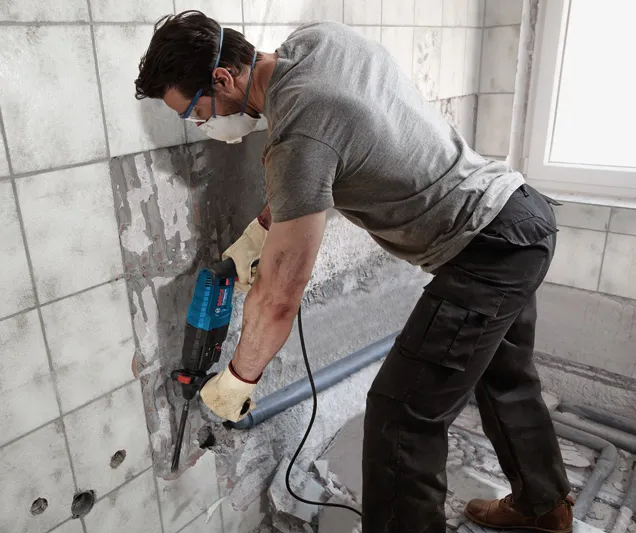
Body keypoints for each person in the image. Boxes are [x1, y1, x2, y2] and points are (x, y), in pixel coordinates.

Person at [135, 11, 573, 533]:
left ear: (223, 80)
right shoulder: (316, 41)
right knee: (504, 377)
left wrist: (236, 381)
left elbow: (279, 298)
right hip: (519, 216)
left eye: (195, 112)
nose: (203, 124)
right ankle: (544, 509)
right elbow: (310, 170)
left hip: (486, 250)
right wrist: (256, 240)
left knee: (399, 418)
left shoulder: (299, 136)